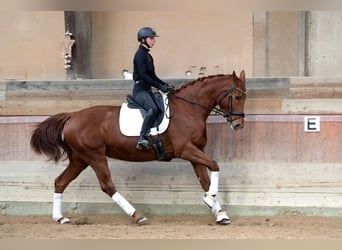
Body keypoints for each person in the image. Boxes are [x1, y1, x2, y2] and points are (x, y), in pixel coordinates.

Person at [132, 27, 173, 150]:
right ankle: (142, 137)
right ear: (143, 39)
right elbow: (143, 76)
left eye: (154, 39)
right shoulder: (140, 55)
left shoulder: (148, 56)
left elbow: (153, 76)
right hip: (140, 91)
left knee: (161, 108)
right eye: (151, 39)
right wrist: (159, 86)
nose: (154, 41)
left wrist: (164, 85)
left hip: (148, 90)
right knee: (153, 109)